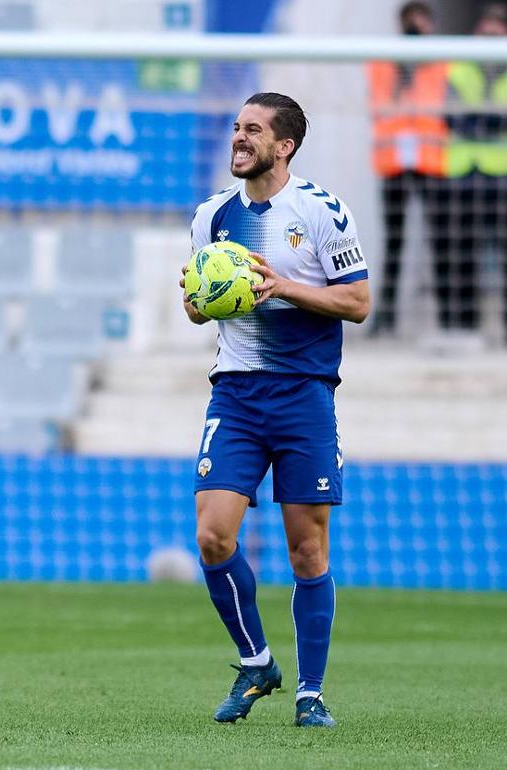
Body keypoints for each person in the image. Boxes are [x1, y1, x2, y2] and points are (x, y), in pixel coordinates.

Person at [181, 93, 370, 728]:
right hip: (235, 393)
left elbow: (360, 302)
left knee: (307, 549)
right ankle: (257, 660)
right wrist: (204, 299)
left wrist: (282, 285)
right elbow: (195, 306)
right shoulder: (211, 217)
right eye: (236, 127)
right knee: (212, 534)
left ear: (283, 146)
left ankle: (311, 693)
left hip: (304, 394)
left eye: (252, 130)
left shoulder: (320, 212)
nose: (239, 138)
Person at [365, 2, 452, 335]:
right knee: (394, 244)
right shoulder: (386, 63)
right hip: (394, 163)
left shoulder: (441, 63)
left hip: (430, 162)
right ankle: (385, 318)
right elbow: (383, 107)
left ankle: (448, 320)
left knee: (441, 241)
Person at [446, 4, 507, 337]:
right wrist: (491, 121)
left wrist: (477, 121)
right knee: (463, 250)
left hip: (501, 172)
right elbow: (451, 116)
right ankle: (465, 326)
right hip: (465, 172)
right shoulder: (459, 68)